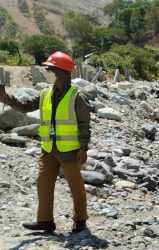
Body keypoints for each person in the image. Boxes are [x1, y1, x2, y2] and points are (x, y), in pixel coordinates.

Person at [0, 51, 91, 233]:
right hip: (48, 148)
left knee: (76, 186)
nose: (49, 73)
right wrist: (6, 98)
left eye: (52, 70)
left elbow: (84, 125)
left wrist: (83, 148)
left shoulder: (77, 96)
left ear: (63, 73)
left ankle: (80, 220)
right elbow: (25, 106)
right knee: (43, 183)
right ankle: (45, 221)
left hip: (70, 151)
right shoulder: (45, 94)